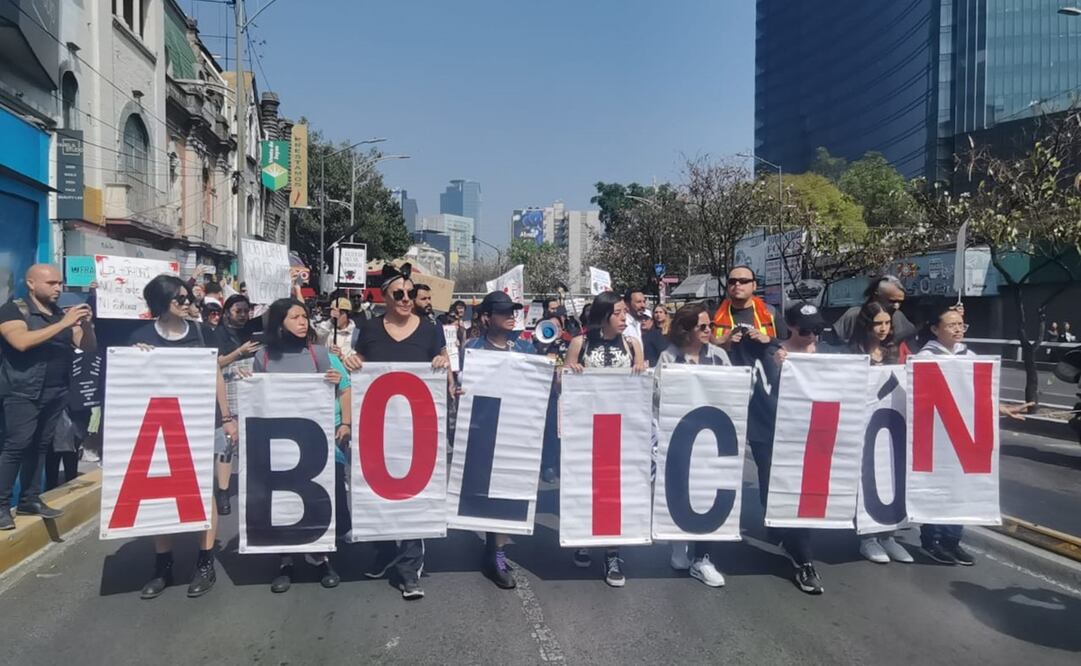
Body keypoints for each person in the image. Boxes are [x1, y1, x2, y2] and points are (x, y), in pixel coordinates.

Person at [127, 274, 238, 598]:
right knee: (162, 491)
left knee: (204, 491)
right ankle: (163, 564)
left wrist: (227, 416)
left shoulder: (204, 333)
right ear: (161, 303)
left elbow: (214, 372)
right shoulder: (141, 336)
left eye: (191, 297)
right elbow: (131, 381)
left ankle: (205, 562)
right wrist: (136, 358)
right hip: (161, 425)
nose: (189, 303)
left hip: (203, 421)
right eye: (181, 299)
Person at [344, 263, 450, 600]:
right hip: (379, 427)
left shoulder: (431, 329)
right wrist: (352, 362)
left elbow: (444, 358)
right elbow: (359, 360)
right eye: (399, 294)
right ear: (385, 298)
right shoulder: (369, 327)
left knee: (414, 495)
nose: (406, 299)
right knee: (380, 491)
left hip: (418, 428)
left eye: (410, 293)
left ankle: (409, 568)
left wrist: (443, 363)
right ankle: (386, 552)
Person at [716, 273, 821, 595]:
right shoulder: (716, 315)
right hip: (727, 402)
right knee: (734, 473)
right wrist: (722, 343)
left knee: (781, 477)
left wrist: (769, 342)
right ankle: (700, 543)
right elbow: (696, 345)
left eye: (744, 280)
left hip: (771, 407)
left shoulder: (771, 316)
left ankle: (801, 554)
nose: (737, 285)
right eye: (732, 280)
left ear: (754, 286)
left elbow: (791, 351)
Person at [914, 303, 1031, 567]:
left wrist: (1000, 407)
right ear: (935, 329)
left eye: (961, 325)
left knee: (961, 489)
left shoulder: (969, 356)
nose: (958, 329)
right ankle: (931, 539)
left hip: (963, 436)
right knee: (938, 488)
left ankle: (952, 541)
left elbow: (976, 395)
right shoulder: (924, 360)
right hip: (936, 438)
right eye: (951, 325)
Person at [253, 298, 351, 593]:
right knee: (283, 502)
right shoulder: (264, 357)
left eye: (304, 316)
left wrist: (344, 424)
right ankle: (286, 561)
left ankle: (322, 558)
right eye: (294, 316)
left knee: (318, 501)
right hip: (278, 442)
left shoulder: (319, 354)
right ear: (279, 322)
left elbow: (344, 388)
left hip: (317, 442)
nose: (302, 321)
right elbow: (258, 397)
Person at [0, 264, 95, 530]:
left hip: (55, 392)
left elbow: (87, 347)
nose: (58, 288)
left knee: (40, 446)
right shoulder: (13, 310)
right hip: (23, 391)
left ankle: (30, 498)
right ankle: (1, 505)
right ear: (31, 283)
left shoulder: (57, 314)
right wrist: (64, 323)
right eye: (51, 283)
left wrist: (86, 326)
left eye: (60, 283)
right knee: (16, 446)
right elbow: (21, 341)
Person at [564, 291, 646, 587]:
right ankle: (583, 536)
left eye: (626, 312)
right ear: (604, 315)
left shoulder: (633, 344)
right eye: (619, 313)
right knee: (585, 485)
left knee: (615, 491)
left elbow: (642, 386)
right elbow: (562, 385)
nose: (625, 318)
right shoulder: (580, 343)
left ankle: (613, 552)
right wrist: (569, 371)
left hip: (620, 431)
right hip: (586, 429)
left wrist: (641, 370)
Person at [462, 291, 535, 589]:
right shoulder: (473, 350)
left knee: (509, 491)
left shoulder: (527, 349)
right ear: (486, 317)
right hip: (483, 430)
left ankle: (497, 552)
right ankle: (493, 547)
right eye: (504, 311)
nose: (511, 315)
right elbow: (464, 387)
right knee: (487, 493)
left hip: (516, 430)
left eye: (513, 310)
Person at [657, 303, 730, 587]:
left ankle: (704, 558)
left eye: (711, 325)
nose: (709, 331)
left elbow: (738, 392)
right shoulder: (669, 358)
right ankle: (678, 543)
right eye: (703, 327)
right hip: (681, 438)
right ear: (685, 330)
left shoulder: (719, 356)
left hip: (714, 440)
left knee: (710, 495)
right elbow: (657, 397)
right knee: (681, 491)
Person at [845, 302, 913, 565]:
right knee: (868, 478)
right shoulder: (853, 354)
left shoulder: (898, 350)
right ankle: (868, 539)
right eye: (878, 323)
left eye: (887, 323)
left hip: (894, 424)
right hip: (864, 428)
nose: (884, 329)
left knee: (893, 478)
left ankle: (889, 536)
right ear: (866, 325)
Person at [209, 294, 258, 516]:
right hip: (226, 391)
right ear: (227, 311)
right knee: (227, 443)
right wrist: (239, 353)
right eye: (238, 311)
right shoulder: (215, 333)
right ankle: (223, 490)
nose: (243, 315)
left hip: (250, 389)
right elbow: (214, 362)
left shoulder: (253, 331)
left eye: (246, 311)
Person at [830, 276, 915, 348]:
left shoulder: (899, 318)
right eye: (891, 301)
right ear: (876, 296)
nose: (897, 306)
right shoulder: (853, 315)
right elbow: (832, 346)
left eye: (900, 302)